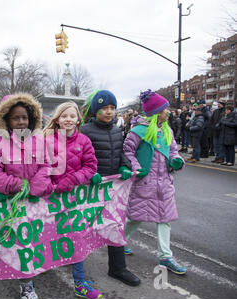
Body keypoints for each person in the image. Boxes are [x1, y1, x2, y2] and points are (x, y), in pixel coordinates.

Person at [0, 92, 53, 299]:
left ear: (31, 118)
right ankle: (26, 285)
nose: (21, 121)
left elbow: (47, 166)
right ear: (6, 120)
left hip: (35, 201)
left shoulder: (39, 141)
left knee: (32, 243)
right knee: (17, 244)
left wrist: (34, 188)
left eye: (24, 117)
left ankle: (27, 282)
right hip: (11, 203)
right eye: (16, 117)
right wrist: (18, 186)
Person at [80, 90, 141, 288]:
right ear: (95, 111)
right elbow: (80, 158)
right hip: (91, 189)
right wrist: (90, 174)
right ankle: (72, 261)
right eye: (104, 108)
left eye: (112, 108)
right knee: (83, 228)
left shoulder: (117, 130)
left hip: (113, 190)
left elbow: (121, 151)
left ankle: (118, 268)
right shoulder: (85, 131)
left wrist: (124, 166)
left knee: (115, 225)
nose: (109, 112)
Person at [43, 101, 102, 299]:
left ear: (78, 119)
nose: (68, 119)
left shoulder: (84, 141)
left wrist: (72, 179)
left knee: (76, 238)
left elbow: (91, 166)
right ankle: (43, 266)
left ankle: (79, 283)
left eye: (72, 116)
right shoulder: (46, 140)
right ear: (57, 119)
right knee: (48, 236)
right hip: (49, 199)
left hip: (74, 199)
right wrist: (47, 184)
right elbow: (39, 166)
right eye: (64, 116)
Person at [123, 89, 187, 275]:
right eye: (164, 109)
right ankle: (120, 241)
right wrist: (136, 168)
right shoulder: (138, 131)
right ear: (155, 112)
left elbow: (174, 151)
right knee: (135, 218)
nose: (167, 112)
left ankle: (165, 256)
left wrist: (177, 161)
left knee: (164, 220)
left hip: (164, 184)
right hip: (144, 183)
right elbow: (127, 152)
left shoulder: (168, 130)